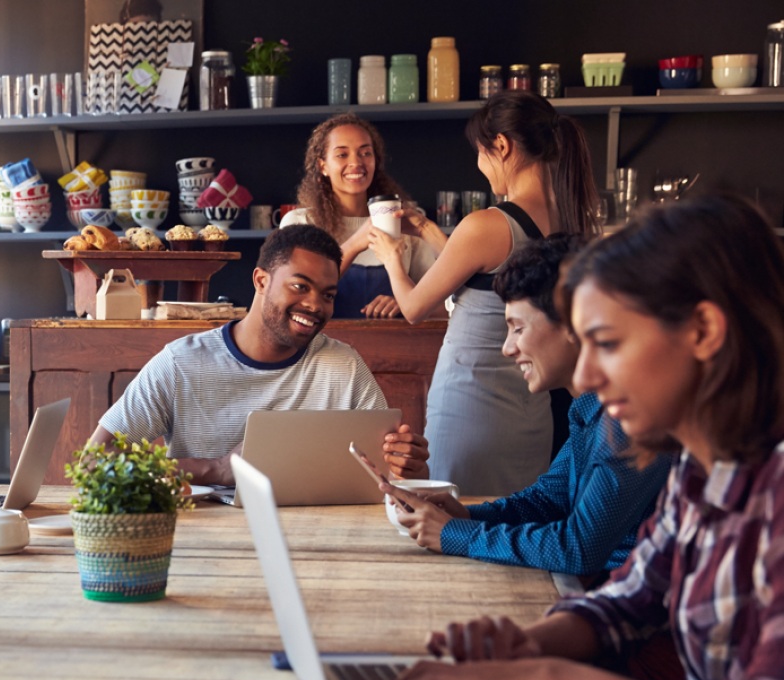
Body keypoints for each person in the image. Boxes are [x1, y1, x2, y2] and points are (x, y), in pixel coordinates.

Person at [388, 194, 784, 680]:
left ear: (703, 330)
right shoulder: (702, 471)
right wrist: (525, 646)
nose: (591, 378)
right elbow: (626, 599)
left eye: (611, 343)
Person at [390, 234, 670, 577]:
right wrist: (465, 516)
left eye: (517, 328)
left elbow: (578, 548)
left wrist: (453, 534)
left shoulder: (629, 417)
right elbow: (547, 500)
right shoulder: (589, 407)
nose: (507, 348)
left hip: (630, 607)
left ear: (573, 324)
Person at [369, 91, 600, 496]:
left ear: (502, 146)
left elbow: (413, 307)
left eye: (480, 152)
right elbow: (491, 278)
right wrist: (426, 230)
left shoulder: (487, 224)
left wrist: (391, 255)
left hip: (471, 406)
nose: (479, 166)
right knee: (516, 525)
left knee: (458, 524)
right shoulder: (569, 219)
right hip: (531, 414)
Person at [90, 224, 429, 487]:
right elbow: (93, 463)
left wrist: (410, 464)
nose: (315, 305)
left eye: (327, 294)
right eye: (300, 286)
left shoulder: (343, 366)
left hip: (318, 541)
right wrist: (217, 468)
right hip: (201, 546)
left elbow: (392, 474)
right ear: (261, 280)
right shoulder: (181, 363)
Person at [280, 113, 445, 319]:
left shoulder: (405, 221)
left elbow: (445, 305)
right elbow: (289, 298)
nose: (356, 162)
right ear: (323, 166)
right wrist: (357, 241)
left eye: (365, 153)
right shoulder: (299, 223)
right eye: (342, 154)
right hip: (320, 348)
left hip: (394, 347)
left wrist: (405, 304)